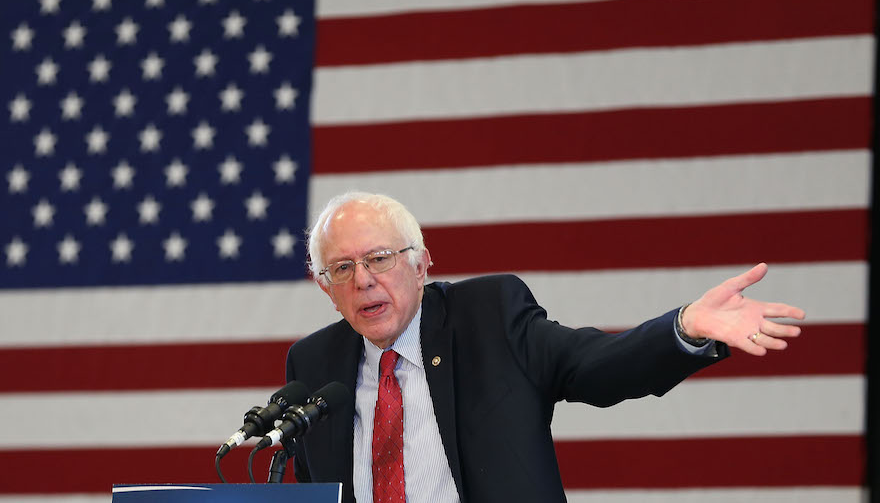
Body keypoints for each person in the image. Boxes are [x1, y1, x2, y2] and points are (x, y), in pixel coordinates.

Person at [285, 192, 804, 503]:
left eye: (379, 258)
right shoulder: (313, 365)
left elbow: (596, 366)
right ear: (326, 290)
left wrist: (686, 326)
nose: (364, 281)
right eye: (343, 269)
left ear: (421, 266)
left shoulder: (489, 317)